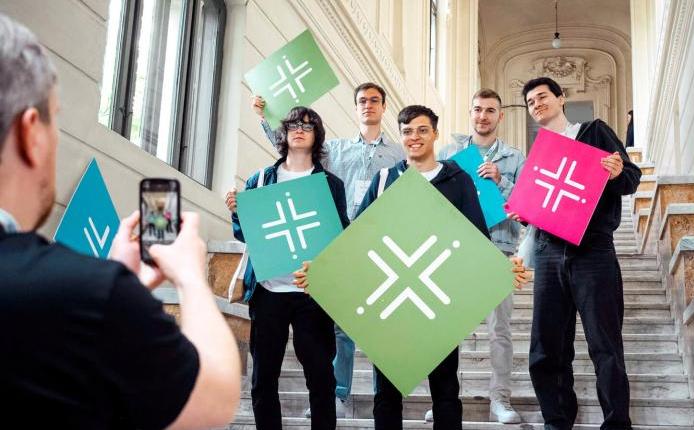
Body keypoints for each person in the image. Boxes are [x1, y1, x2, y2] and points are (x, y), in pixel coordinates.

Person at [0, 13, 240, 429]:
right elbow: (213, 398)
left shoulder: (89, 297)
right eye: (57, 118)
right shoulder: (86, 296)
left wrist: (115, 287)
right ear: (31, 133)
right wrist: (190, 278)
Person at [296, 105, 529, 429]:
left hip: (438, 297)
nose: (414, 137)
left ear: (435, 134)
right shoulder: (384, 180)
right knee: (386, 393)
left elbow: (477, 236)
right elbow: (356, 238)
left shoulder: (457, 181)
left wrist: (502, 270)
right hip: (389, 298)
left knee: (445, 389)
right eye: (407, 131)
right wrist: (322, 267)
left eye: (422, 130)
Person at [252, 82, 405, 417]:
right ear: (355, 107)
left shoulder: (398, 154)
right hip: (334, 240)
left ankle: (383, 397)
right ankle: (340, 392)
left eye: (374, 100)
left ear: (383, 107)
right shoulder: (335, 149)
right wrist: (265, 119)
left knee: (381, 323)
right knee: (342, 325)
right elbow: (293, 148)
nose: (368, 105)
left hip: (379, 242)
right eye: (362, 100)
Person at [512, 77, 640, 430]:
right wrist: (524, 213)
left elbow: (631, 178)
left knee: (605, 343)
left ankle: (616, 423)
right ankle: (557, 421)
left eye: (542, 97)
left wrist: (616, 173)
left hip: (593, 251)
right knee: (546, 347)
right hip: (549, 251)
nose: (536, 104)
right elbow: (538, 207)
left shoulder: (594, 131)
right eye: (530, 102)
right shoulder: (538, 154)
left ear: (561, 98)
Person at [226, 106, 350, 429]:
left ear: (317, 136)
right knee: (263, 377)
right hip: (269, 291)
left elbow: (341, 236)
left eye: (307, 126)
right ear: (283, 133)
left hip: (311, 292)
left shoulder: (330, 184)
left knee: (321, 377)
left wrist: (323, 265)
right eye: (293, 125)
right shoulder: (260, 180)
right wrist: (238, 212)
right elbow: (246, 234)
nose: (299, 130)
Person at [437, 88, 525, 424]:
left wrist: (501, 181)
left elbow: (527, 207)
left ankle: (500, 399)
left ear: (500, 116)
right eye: (477, 109)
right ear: (470, 112)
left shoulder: (514, 158)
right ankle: (444, 399)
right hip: (456, 249)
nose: (483, 116)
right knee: (447, 329)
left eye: (490, 110)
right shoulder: (450, 154)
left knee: (499, 330)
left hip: (498, 248)